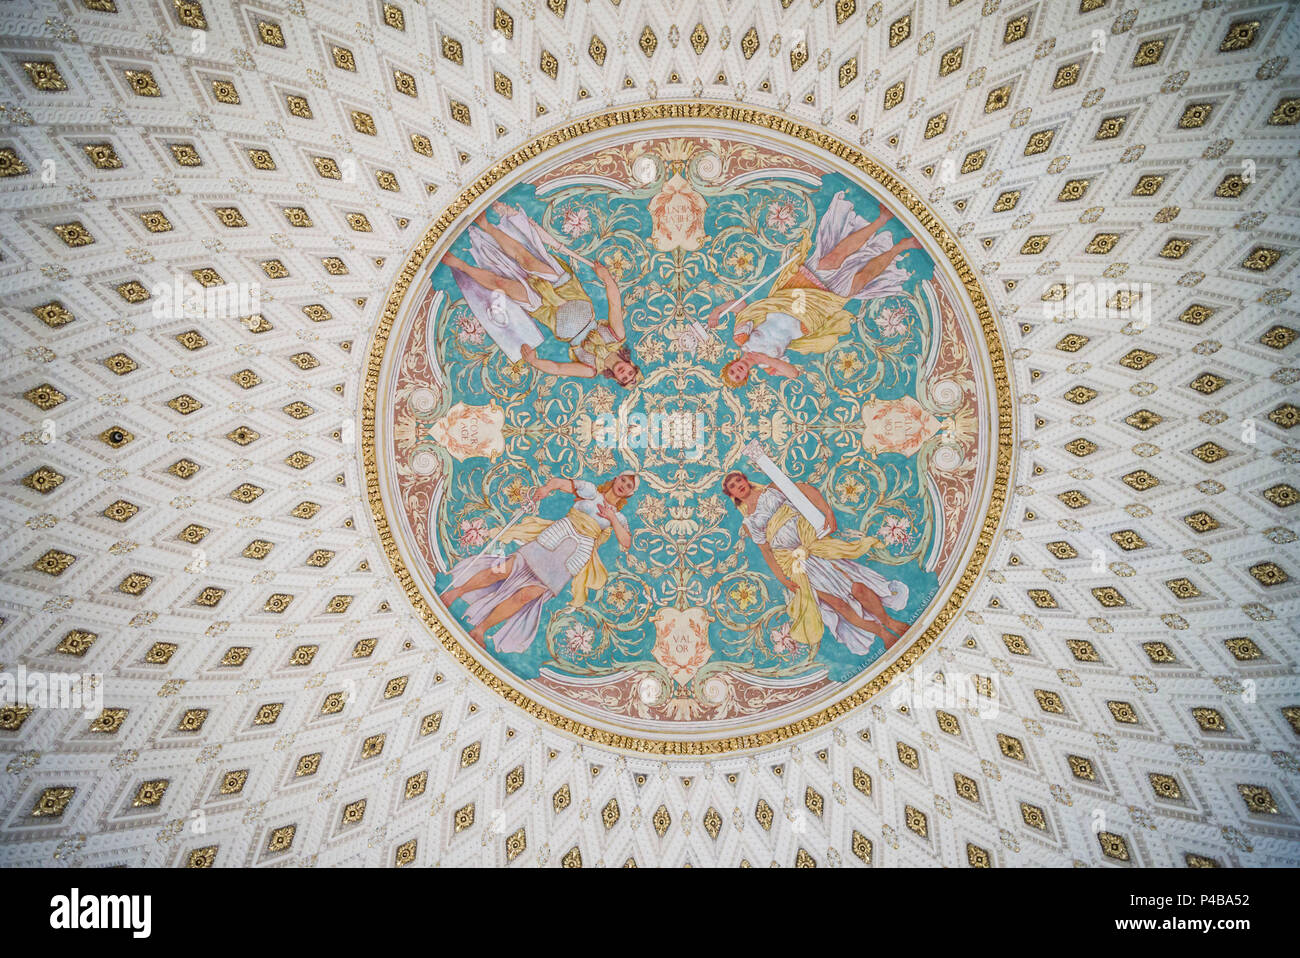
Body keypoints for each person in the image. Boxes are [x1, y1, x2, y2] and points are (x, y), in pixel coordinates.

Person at [710, 193, 921, 386]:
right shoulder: (768, 367)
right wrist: (765, 358)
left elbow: (742, 306)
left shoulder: (742, 340)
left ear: (732, 364)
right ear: (745, 376)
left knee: (834, 258)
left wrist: (718, 311)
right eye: (738, 376)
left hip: (796, 296)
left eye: (732, 371)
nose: (737, 372)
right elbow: (793, 373)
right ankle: (901, 246)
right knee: (861, 280)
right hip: (813, 315)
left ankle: (881, 220)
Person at [443, 202, 640, 386]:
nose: (625, 373)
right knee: (526, 259)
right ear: (631, 364)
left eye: (624, 378)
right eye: (630, 373)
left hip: (547, 312)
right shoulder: (617, 336)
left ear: (616, 378)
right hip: (569, 292)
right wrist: (606, 277)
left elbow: (558, 368)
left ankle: (460, 265)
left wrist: (535, 362)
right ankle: (486, 225)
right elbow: (614, 301)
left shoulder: (590, 370)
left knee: (501, 283)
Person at [439, 472, 638, 653]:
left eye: (629, 486)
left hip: (572, 558)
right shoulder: (591, 492)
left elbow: (626, 541)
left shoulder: (618, 517)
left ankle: (481, 629)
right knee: (503, 570)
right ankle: (456, 591)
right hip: (554, 539)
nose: (624, 485)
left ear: (630, 494)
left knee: (525, 596)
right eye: (623, 480)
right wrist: (546, 488)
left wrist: (611, 517)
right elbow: (560, 482)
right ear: (616, 478)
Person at [722, 470, 910, 657]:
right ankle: (882, 633)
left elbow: (805, 490)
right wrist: (784, 579)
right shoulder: (749, 522)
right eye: (732, 486)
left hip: (813, 543)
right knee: (838, 604)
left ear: (745, 480)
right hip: (795, 563)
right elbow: (767, 552)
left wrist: (827, 511)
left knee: (857, 588)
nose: (738, 485)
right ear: (732, 495)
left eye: (739, 480)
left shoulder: (771, 490)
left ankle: (889, 621)